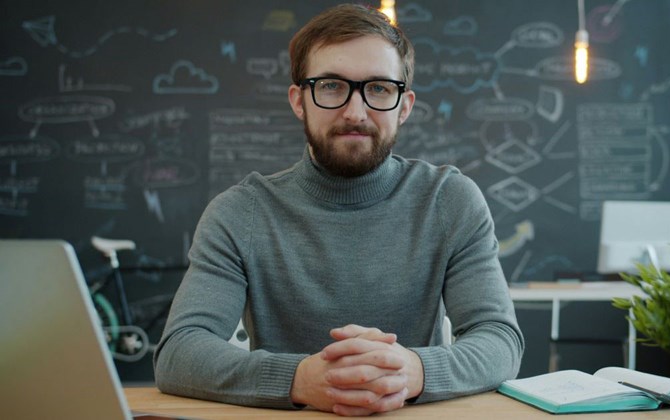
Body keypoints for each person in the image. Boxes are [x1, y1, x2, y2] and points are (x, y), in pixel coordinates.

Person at [154, 3, 524, 416]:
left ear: (404, 106)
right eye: (331, 86)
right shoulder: (240, 213)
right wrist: (301, 381)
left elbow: (500, 340)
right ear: (299, 100)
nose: (355, 111)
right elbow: (178, 353)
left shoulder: (450, 200)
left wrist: (412, 371)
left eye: (379, 88)